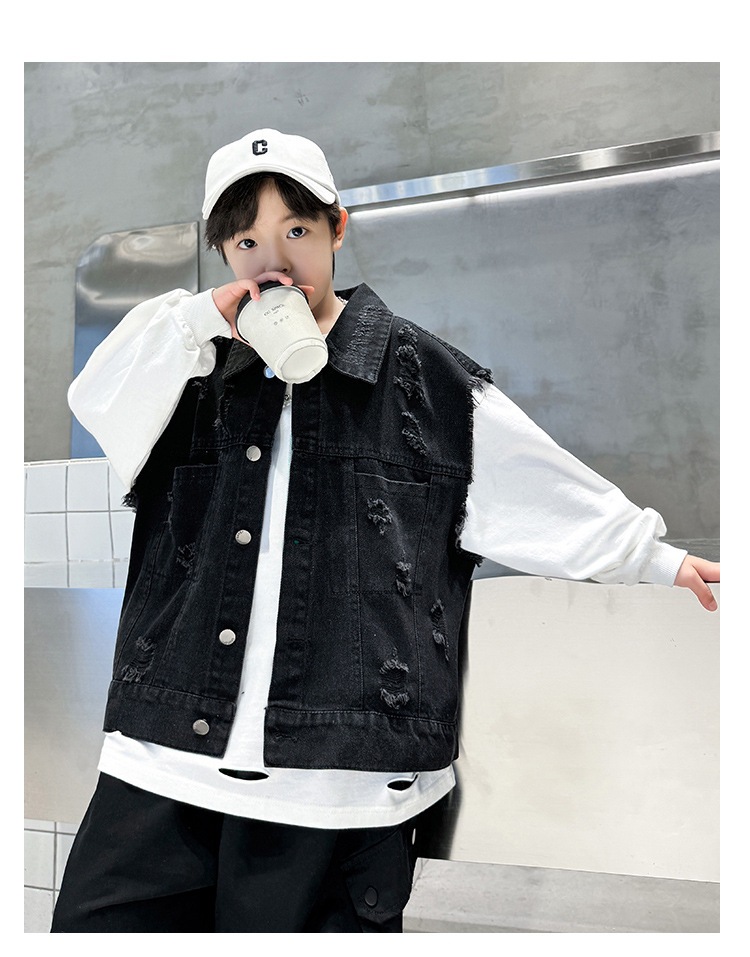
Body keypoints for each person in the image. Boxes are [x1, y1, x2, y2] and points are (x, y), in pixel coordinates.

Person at [51, 128, 719, 934]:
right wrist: (204, 320)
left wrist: (654, 556)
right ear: (222, 250)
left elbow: (537, 482)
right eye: (247, 240)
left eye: (297, 229)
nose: (274, 260)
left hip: (340, 787)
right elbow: (97, 398)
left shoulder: (424, 378)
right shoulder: (188, 370)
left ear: (337, 228)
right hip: (161, 768)